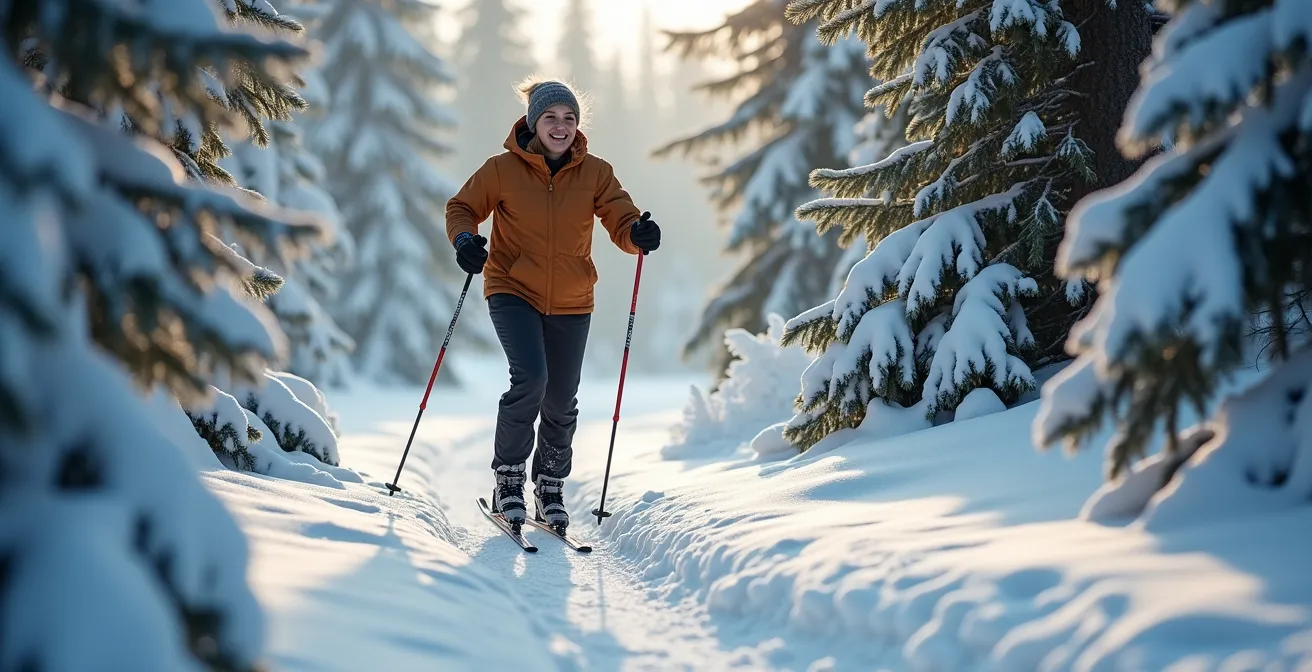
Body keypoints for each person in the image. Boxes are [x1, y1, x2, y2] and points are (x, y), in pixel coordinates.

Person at [445, 77, 660, 534]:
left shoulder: (596, 172)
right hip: (510, 288)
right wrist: (465, 240)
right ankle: (508, 480)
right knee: (532, 378)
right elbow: (462, 207)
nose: (560, 127)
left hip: (572, 297)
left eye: (569, 118)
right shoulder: (501, 169)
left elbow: (621, 216)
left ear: (577, 126)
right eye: (550, 118)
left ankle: (549, 487)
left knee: (561, 398)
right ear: (533, 122)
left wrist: (636, 234)